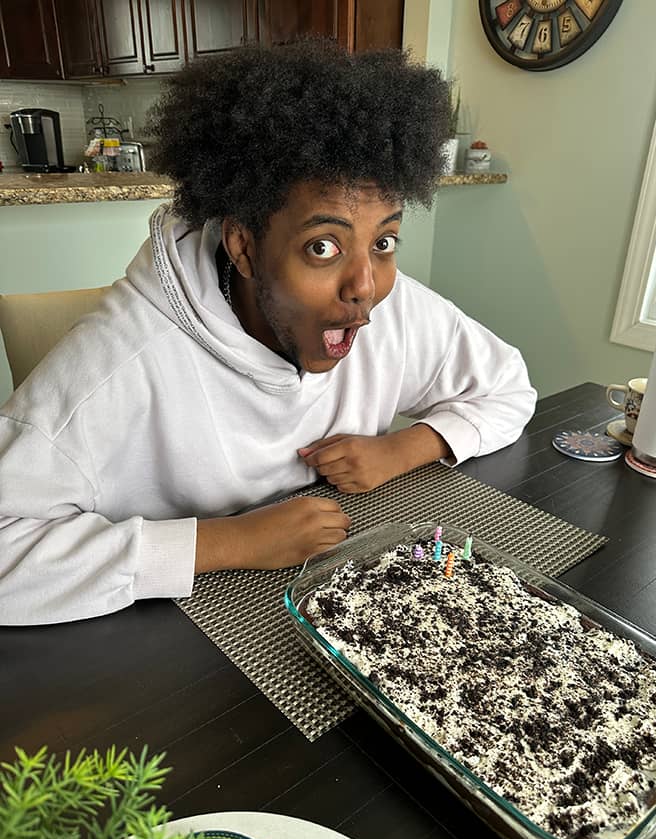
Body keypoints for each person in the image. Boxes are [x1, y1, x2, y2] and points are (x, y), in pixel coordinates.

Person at [0, 39, 536, 626]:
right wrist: (229, 543)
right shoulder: (122, 361)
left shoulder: (391, 304)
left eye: (383, 242)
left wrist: (405, 447)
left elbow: (508, 387)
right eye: (322, 247)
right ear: (244, 246)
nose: (364, 286)